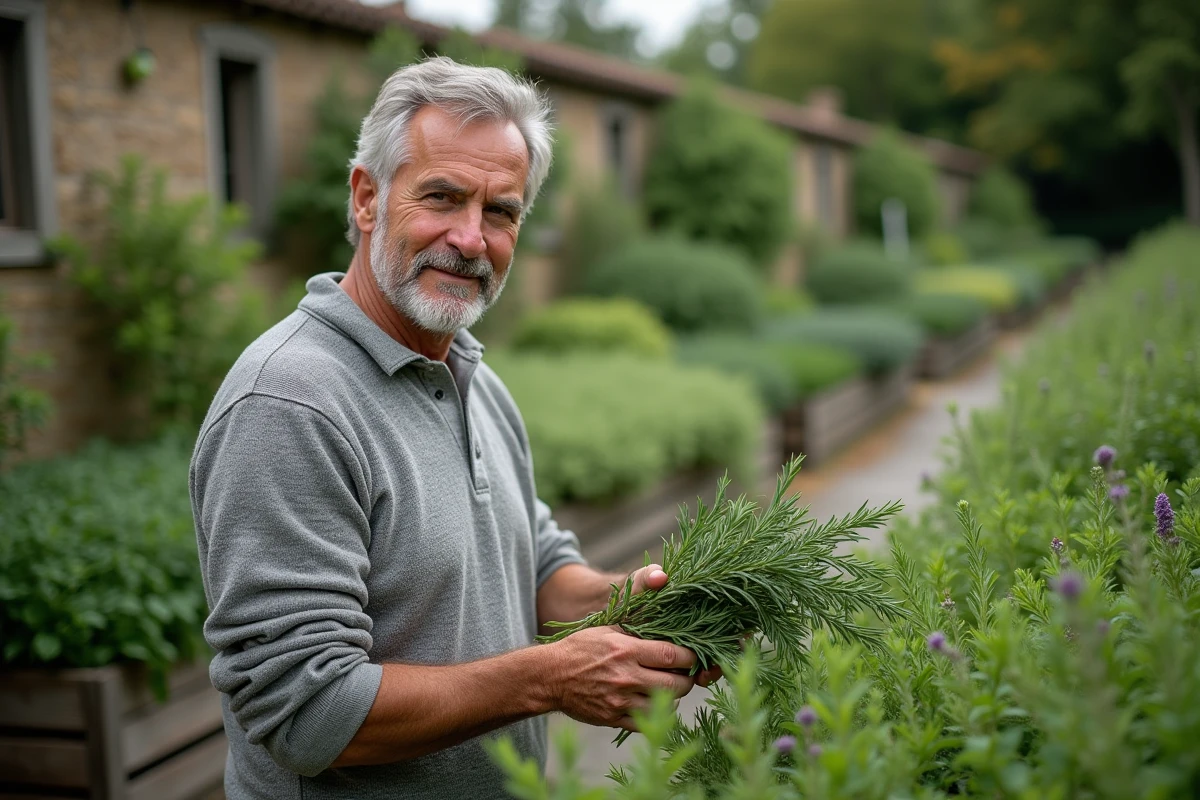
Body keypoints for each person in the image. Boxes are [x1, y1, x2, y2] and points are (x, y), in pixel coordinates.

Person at [189, 57, 717, 799]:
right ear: (368, 198)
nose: (471, 238)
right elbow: (306, 713)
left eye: (500, 211)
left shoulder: (472, 376)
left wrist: (637, 601)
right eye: (442, 196)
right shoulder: (290, 402)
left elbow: (532, 566)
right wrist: (549, 678)